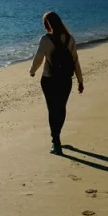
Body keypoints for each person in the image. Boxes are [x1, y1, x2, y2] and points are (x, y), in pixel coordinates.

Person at [29, 11, 84, 155]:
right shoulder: (69, 39)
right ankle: (57, 137)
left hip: (49, 79)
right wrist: (80, 80)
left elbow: (39, 57)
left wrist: (32, 71)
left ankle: (56, 141)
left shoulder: (46, 39)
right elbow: (75, 61)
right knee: (61, 109)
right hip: (65, 80)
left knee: (52, 110)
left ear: (48, 24)